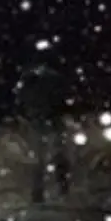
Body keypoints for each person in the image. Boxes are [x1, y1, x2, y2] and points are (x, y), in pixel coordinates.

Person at [16, 52, 69, 204]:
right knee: (59, 153)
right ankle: (62, 187)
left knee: (39, 158)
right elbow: (62, 98)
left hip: (37, 119)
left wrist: (25, 114)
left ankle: (38, 192)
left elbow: (21, 99)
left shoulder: (29, 77)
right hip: (53, 118)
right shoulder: (54, 77)